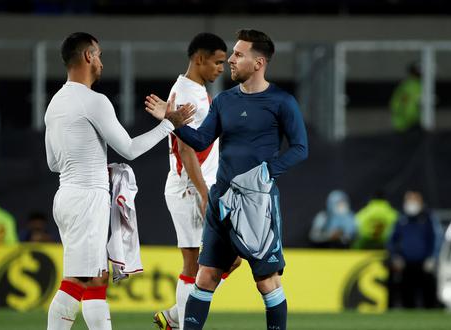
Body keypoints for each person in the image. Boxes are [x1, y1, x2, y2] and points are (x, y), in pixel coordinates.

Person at [150, 29, 308, 330]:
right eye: (232, 54)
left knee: (267, 281)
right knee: (206, 274)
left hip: (257, 202)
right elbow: (199, 140)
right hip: (221, 201)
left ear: (259, 62)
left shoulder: (281, 101)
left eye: (238, 54)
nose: (231, 60)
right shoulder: (224, 100)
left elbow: (300, 148)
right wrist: (173, 122)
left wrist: (266, 172)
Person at [43, 32, 194, 330]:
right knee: (77, 280)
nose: (100, 61)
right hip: (87, 198)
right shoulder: (93, 100)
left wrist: (95, 164)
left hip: (67, 195)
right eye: (98, 54)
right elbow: (129, 149)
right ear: (88, 56)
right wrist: (169, 124)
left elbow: (53, 163)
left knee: (97, 278)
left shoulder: (55, 103)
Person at [147, 33, 240, 330]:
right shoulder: (186, 93)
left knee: (231, 258)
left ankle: (176, 316)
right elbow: (186, 149)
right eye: (218, 62)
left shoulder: (194, 89)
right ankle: (183, 322)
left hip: (202, 185)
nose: (221, 68)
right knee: (194, 264)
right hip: (189, 188)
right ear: (199, 59)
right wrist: (203, 194)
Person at [387, 190, 443, 308]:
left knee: (428, 296)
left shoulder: (428, 218)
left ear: (421, 202)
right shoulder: (400, 219)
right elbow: (391, 240)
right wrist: (395, 257)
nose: (412, 203)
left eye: (415, 200)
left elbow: (437, 238)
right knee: (407, 296)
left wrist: (433, 257)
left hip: (425, 264)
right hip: (405, 264)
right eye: (409, 200)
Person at [390, 62, 422, 133]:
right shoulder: (408, 86)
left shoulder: (420, 85)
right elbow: (398, 103)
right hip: (405, 124)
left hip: (414, 123)